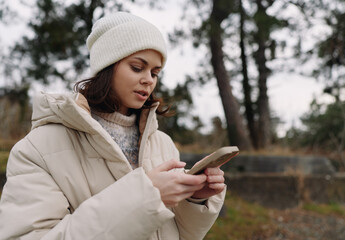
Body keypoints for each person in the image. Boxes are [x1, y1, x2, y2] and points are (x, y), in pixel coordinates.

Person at [0, 12, 226, 240]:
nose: (149, 79)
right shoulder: (38, 149)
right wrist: (146, 198)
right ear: (106, 67)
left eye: (155, 72)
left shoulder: (162, 143)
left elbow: (182, 235)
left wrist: (194, 199)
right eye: (137, 67)